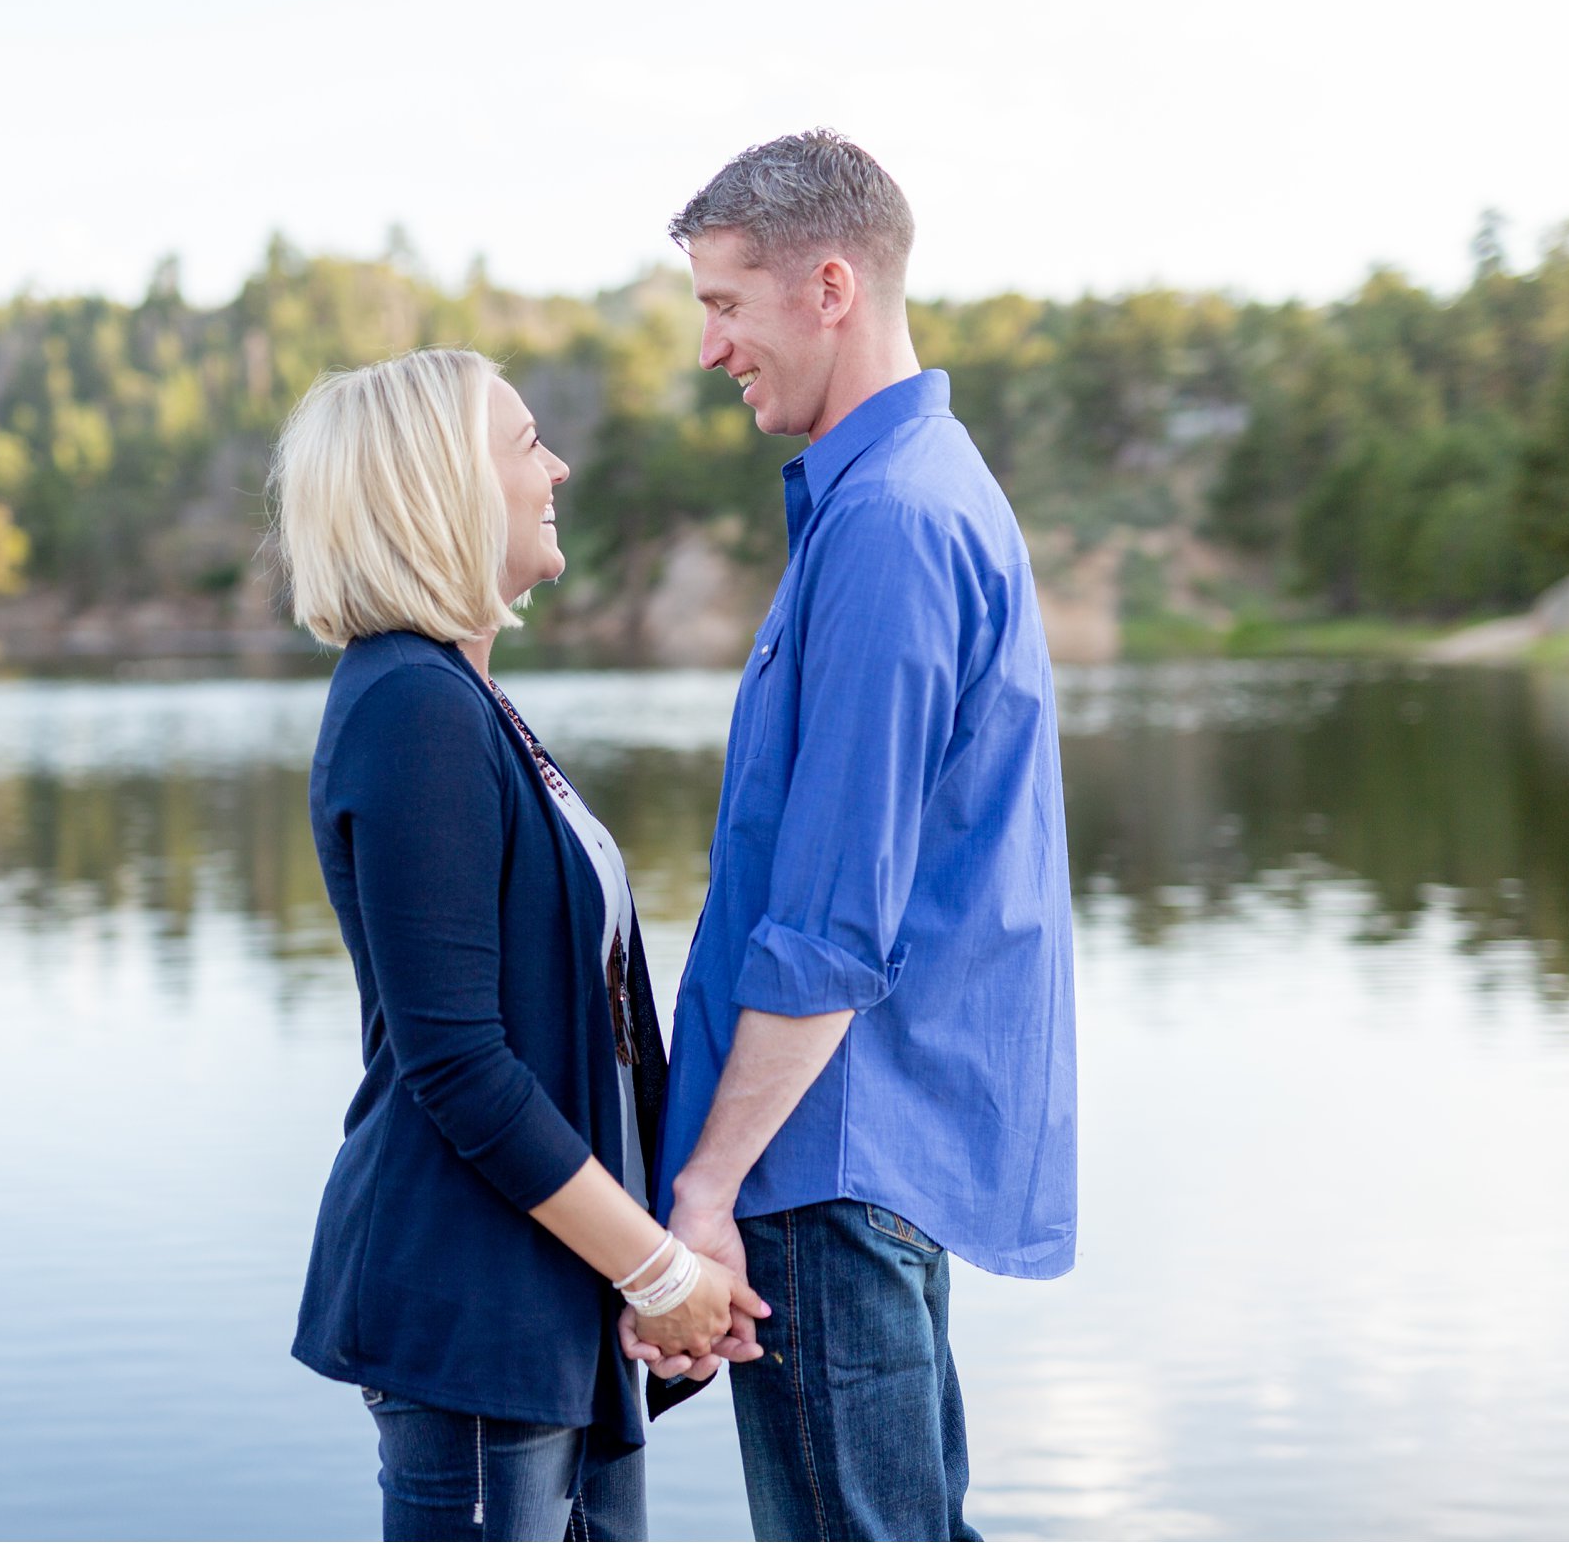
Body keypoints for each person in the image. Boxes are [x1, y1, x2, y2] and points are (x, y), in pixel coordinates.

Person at [624, 131, 1079, 1541]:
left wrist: (698, 1194)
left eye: (721, 304)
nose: (710, 349)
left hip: (827, 1167)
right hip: (865, 1157)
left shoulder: (887, 522)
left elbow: (828, 928)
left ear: (828, 286)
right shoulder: (909, 493)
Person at [272, 347, 771, 1542]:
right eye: (523, 442)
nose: (555, 466)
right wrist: (656, 1269)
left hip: (546, 1302)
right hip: (475, 1307)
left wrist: (644, 1269)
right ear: (435, 487)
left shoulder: (462, 698)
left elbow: (573, 1033)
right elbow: (460, 1064)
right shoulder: (409, 707)